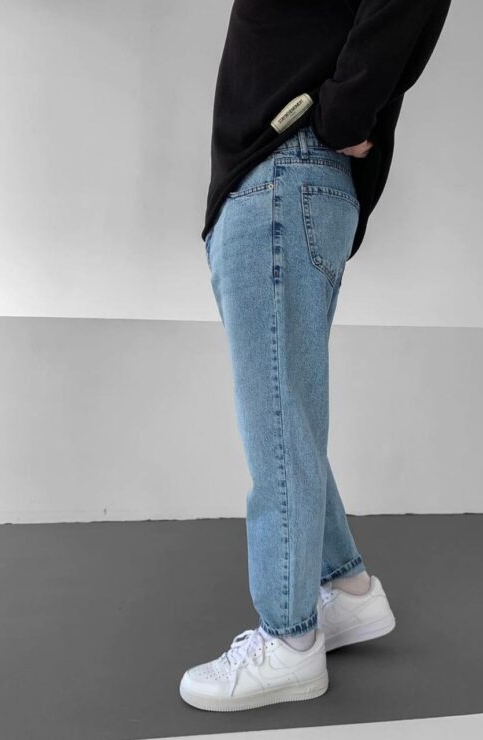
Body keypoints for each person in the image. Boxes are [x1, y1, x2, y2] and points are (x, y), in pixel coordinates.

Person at [180, 0, 452, 712]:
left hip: (282, 168)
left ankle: (290, 641)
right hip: (278, 174)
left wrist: (343, 113)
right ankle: (345, 589)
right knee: (287, 412)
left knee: (276, 419)